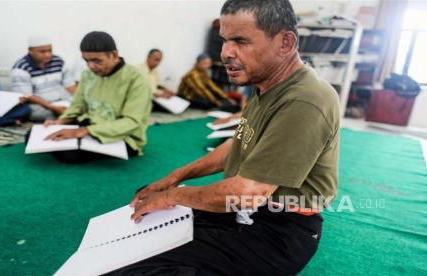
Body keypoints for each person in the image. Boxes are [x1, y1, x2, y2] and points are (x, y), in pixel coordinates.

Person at [110, 0, 340, 275]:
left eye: (241, 41)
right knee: (134, 243)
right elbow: (237, 145)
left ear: (285, 43)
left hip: (276, 232)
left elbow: (250, 192)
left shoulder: (305, 100)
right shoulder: (266, 85)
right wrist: (176, 177)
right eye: (225, 40)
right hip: (242, 213)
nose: (226, 53)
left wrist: (172, 196)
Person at [43, 31, 152, 163]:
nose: (91, 66)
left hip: (123, 136)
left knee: (69, 154)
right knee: (36, 134)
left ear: (114, 55)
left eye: (96, 61)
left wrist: (85, 131)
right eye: (86, 60)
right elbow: (78, 105)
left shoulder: (137, 79)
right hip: (90, 125)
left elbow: (132, 122)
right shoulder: (88, 75)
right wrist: (60, 122)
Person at [11, 36, 77, 121]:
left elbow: (70, 86)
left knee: (78, 109)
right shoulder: (21, 67)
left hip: (59, 102)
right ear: (30, 51)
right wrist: (53, 107)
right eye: (42, 52)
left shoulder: (58, 61)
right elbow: (28, 96)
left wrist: (81, 102)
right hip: (38, 105)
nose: (48, 55)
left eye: (50, 50)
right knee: (47, 114)